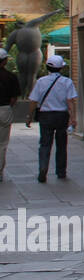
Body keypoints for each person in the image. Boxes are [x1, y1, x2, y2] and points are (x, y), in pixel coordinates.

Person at [26, 55, 77, 183]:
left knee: (44, 144)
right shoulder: (67, 82)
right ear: (61, 68)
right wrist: (73, 117)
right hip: (61, 116)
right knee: (61, 145)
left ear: (47, 67)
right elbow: (70, 101)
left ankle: (43, 168)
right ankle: (61, 171)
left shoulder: (41, 81)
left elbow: (33, 101)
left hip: (45, 116)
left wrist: (29, 116)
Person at [0, 48, 21, 182]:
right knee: (2, 143)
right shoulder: (11, 76)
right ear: (5, 61)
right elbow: (14, 98)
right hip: (4, 109)